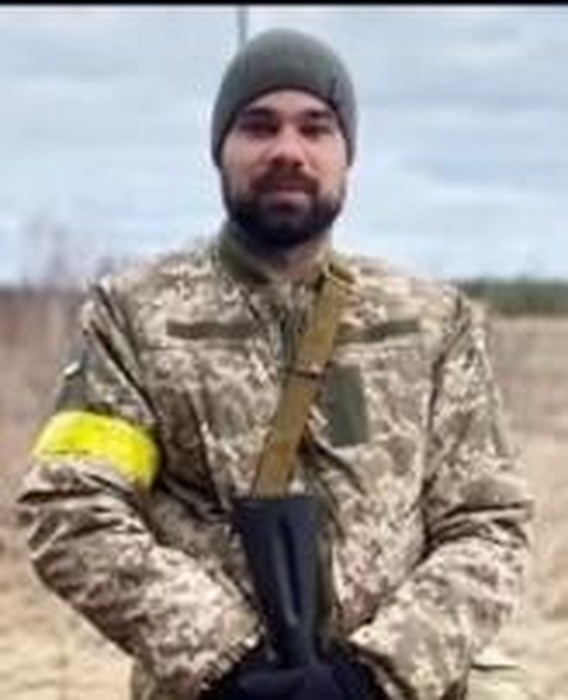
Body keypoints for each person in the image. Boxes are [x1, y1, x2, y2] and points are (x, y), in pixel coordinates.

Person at [18, 27, 533, 700]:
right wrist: (228, 661)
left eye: (316, 128)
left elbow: (487, 524)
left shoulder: (430, 320)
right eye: (259, 126)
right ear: (220, 150)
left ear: (347, 155)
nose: (288, 150)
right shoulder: (136, 318)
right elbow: (72, 507)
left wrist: (372, 676)